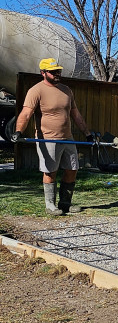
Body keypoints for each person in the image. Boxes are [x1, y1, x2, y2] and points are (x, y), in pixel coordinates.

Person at [11, 58, 94, 215]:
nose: (57, 74)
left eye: (58, 71)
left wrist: (87, 134)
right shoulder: (36, 91)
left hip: (67, 138)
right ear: (43, 73)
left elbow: (75, 114)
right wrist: (18, 132)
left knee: (72, 168)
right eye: (53, 71)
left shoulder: (66, 90)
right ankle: (50, 205)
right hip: (47, 139)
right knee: (50, 171)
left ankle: (65, 203)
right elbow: (26, 113)